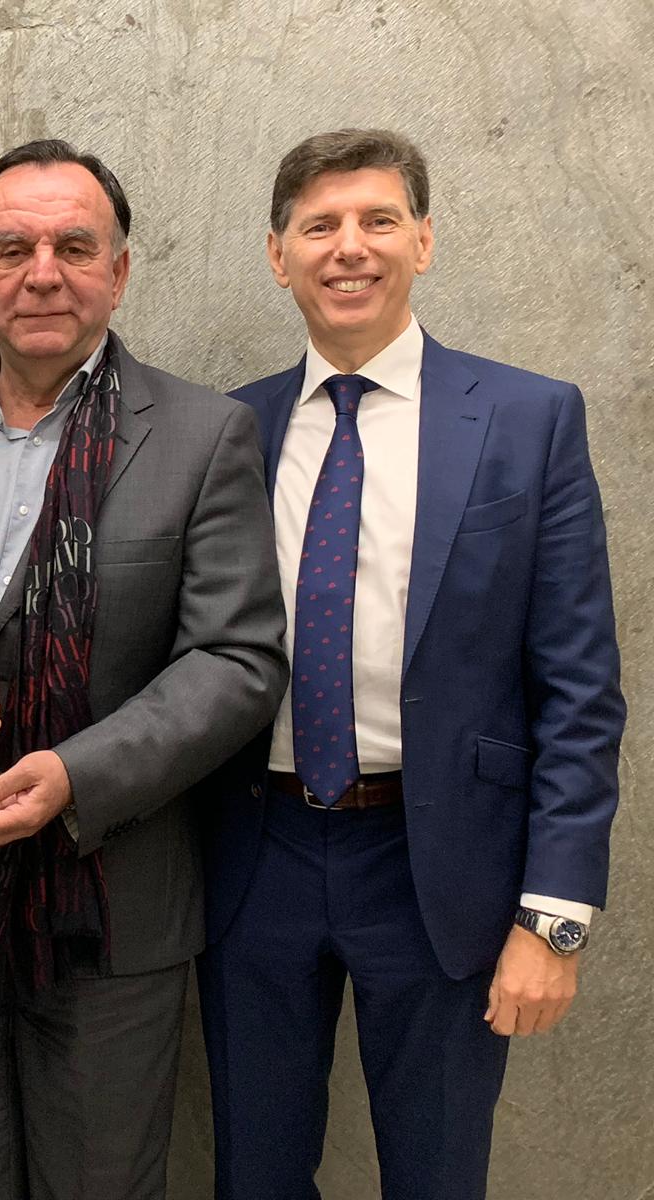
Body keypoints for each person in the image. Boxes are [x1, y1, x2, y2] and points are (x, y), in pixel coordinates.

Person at [198, 128, 624, 1200]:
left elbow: (579, 691)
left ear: (423, 241)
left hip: (443, 867)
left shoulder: (528, 420)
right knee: (253, 1172)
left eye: (378, 220)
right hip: (254, 854)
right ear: (277, 255)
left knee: (436, 1176)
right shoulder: (228, 429)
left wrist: (554, 918)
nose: (350, 247)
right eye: (320, 226)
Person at [0, 139, 288, 1200]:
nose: (43, 273)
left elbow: (238, 658)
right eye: (12, 249)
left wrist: (76, 775)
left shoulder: (203, 434)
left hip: (110, 908)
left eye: (74, 245)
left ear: (120, 270)